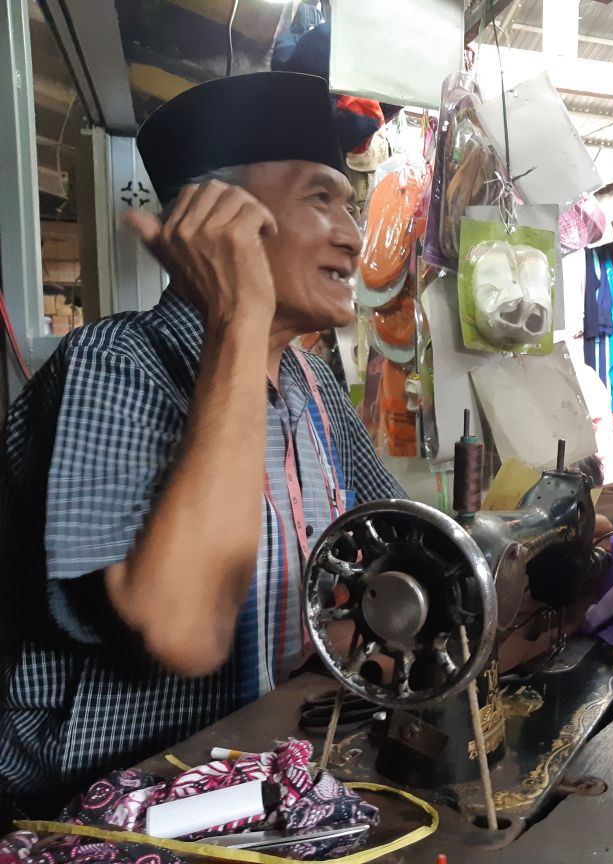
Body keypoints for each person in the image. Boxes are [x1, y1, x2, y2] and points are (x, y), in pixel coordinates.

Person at [0, 71, 405, 816]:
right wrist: (238, 319)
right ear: (216, 220)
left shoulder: (313, 388)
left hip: (255, 783)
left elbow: (413, 551)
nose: (352, 236)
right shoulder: (114, 366)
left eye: (349, 205)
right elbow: (183, 629)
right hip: (102, 816)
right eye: (320, 198)